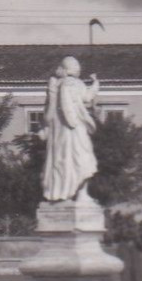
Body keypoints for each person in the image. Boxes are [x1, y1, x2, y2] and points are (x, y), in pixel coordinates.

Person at [41, 56, 101, 203]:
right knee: (75, 159)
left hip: (69, 129)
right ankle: (74, 193)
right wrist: (72, 121)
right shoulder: (67, 84)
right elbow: (71, 102)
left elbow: (86, 97)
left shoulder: (70, 84)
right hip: (71, 128)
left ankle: (74, 193)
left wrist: (95, 84)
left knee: (74, 159)